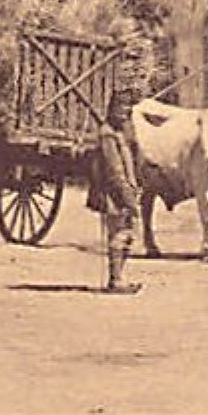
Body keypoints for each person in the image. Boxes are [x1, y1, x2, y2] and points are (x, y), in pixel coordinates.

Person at [89, 93, 143, 294]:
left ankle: (118, 278)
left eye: (128, 108)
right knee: (119, 232)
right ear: (111, 110)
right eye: (121, 108)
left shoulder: (121, 134)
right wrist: (126, 195)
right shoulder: (107, 135)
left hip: (125, 189)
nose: (125, 112)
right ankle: (116, 280)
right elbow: (114, 169)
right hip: (113, 192)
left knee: (127, 233)